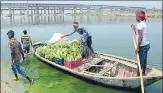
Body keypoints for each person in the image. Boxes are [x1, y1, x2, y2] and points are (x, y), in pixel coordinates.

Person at [131, 11, 150, 76]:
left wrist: (138, 48)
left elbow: (140, 37)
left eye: (136, 16)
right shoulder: (143, 23)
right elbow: (139, 34)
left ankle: (139, 75)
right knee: (144, 60)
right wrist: (134, 29)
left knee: (140, 61)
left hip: (142, 46)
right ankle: (143, 73)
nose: (135, 18)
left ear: (139, 17)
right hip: (146, 45)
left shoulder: (139, 25)